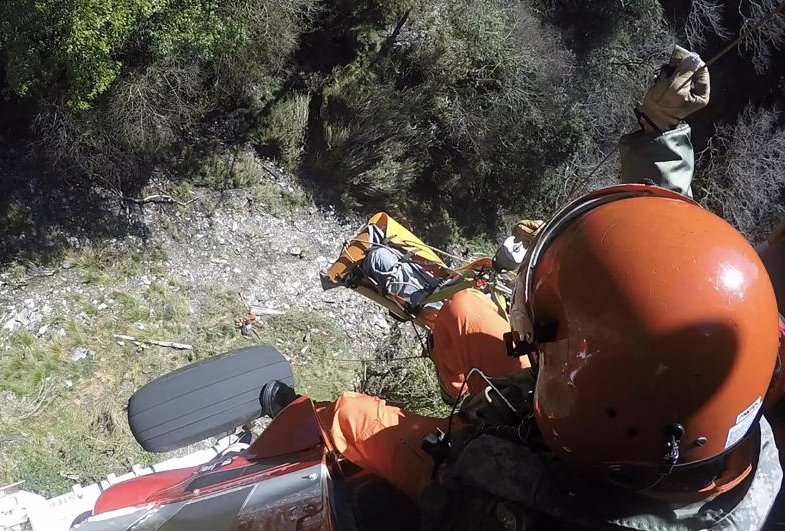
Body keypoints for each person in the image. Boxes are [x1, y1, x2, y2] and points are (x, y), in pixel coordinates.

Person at [258, 46, 785, 529]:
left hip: (521, 475)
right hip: (581, 425)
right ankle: (461, 411)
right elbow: (675, 271)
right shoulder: (742, 362)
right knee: (463, 310)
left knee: (349, 418)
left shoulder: (520, 503)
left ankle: (275, 439)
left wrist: (462, 459)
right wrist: (661, 132)